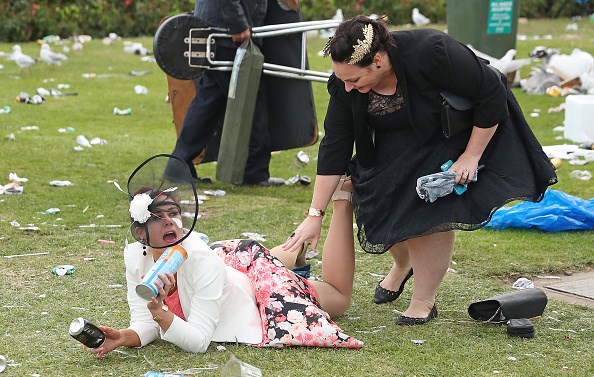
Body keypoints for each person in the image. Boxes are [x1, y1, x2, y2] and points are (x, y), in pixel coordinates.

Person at [283, 16, 557, 326]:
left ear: (377, 60)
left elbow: (491, 91)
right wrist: (314, 214)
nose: (347, 87)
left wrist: (470, 156)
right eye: (343, 80)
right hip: (399, 139)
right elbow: (335, 145)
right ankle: (404, 265)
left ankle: (423, 301)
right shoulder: (347, 87)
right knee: (379, 205)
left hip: (453, 133)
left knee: (427, 211)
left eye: (354, 80)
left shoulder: (432, 51)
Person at [88, 155, 361, 357]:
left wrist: (160, 312)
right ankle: (293, 251)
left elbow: (198, 342)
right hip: (231, 266)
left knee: (338, 298)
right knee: (264, 263)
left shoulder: (199, 258)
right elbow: (144, 321)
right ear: (140, 233)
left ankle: (342, 200)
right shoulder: (136, 257)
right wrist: (125, 336)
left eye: (174, 214)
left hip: (255, 298)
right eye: (159, 217)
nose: (170, 222)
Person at [164, 0, 284, 186]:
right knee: (250, 101)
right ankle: (254, 172)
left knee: (210, 101)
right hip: (226, 31)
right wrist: (237, 23)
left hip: (220, 29)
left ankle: (179, 164)